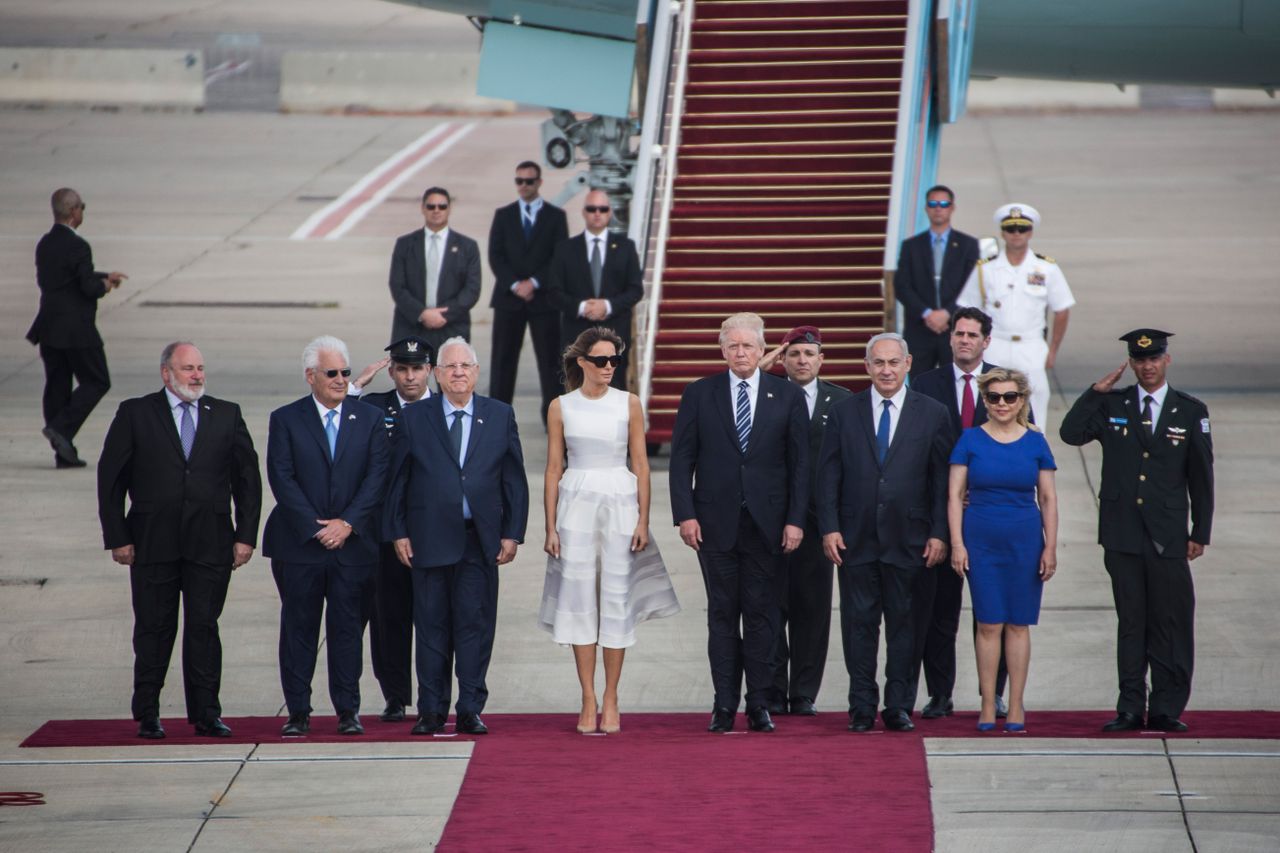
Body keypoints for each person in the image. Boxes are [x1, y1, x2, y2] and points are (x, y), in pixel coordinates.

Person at [97, 342, 262, 739]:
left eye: (200, 368)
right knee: (154, 627)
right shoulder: (136, 413)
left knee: (204, 627)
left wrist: (245, 537)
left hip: (211, 542)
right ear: (165, 373)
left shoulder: (226, 414)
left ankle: (207, 712)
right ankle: (148, 711)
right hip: (153, 542)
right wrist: (118, 536)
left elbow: (248, 481)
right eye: (188, 368)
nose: (197, 376)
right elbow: (111, 479)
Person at [1060, 329, 1213, 733]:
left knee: (1170, 621)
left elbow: (1201, 477)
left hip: (1168, 534)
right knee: (1132, 621)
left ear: (1167, 360)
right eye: (1139, 360)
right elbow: (1070, 433)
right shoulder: (1114, 404)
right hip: (1122, 533)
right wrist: (1095, 392)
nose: (1147, 366)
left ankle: (1166, 707)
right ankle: (1130, 706)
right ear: (1131, 362)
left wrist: (1201, 530)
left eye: (1154, 359)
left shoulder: (1189, 410)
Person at [669, 312, 809, 734]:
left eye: (749, 345)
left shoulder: (786, 396)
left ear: (764, 349)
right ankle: (724, 704)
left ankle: (759, 703)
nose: (741, 352)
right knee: (723, 615)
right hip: (714, 524)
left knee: (763, 615)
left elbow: (800, 466)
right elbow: (681, 460)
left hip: (769, 525)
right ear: (723, 351)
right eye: (733, 346)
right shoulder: (699, 393)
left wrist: (795, 521)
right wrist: (685, 515)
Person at [538, 327, 680, 734]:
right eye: (600, 361)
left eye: (614, 360)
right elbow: (553, 468)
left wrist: (643, 520)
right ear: (582, 362)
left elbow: (640, 464)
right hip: (576, 502)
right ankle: (587, 696)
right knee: (580, 600)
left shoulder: (629, 403)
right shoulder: (560, 406)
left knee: (616, 601)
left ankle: (613, 696)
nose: (608, 368)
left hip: (620, 501)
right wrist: (549, 527)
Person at [387, 337, 529, 736]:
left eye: (466, 365)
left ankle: (469, 707)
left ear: (477, 372)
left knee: (474, 626)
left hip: (479, 541)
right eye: (450, 367)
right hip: (428, 539)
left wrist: (512, 533)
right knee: (431, 627)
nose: (458, 372)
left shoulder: (499, 415)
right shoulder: (416, 417)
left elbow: (514, 480)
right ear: (437, 373)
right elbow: (397, 480)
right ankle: (431, 709)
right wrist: (397, 531)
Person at [817, 333, 950, 733]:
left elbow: (942, 480)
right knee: (859, 625)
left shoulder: (933, 413)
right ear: (867, 367)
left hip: (911, 538)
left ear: (908, 365)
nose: (887, 370)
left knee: (905, 625)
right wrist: (829, 527)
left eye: (894, 362)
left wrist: (940, 533)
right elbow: (828, 475)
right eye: (879, 363)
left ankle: (898, 705)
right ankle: (861, 706)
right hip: (854, 539)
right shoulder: (845, 412)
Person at [262, 336, 390, 737]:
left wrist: (347, 523)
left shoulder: (367, 418)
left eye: (345, 373)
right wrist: (317, 528)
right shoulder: (286, 419)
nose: (340, 380)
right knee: (298, 629)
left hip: (353, 546)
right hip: (300, 546)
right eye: (331, 373)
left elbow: (377, 478)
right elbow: (281, 477)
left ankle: (347, 710)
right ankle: (298, 711)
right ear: (310, 376)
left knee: (347, 630)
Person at [909, 307, 1011, 719]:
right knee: (939, 611)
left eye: (972, 334)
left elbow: (1021, 444)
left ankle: (995, 693)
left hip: (991, 517)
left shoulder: (1006, 386)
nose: (964, 340)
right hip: (939, 516)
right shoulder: (926, 383)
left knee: (993, 611)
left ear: (987, 341)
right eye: (958, 333)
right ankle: (939, 693)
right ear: (950, 338)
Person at [948, 368, 1059, 732]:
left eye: (1009, 397)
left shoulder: (1035, 442)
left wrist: (1051, 547)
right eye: (994, 397)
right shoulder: (969, 440)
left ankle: (1015, 705)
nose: (1002, 404)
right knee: (989, 622)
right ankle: (986, 703)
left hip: (1025, 541)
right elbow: (953, 496)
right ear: (985, 400)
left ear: (1022, 400)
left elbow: (1047, 498)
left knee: (1018, 623)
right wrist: (957, 544)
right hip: (981, 540)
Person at [758, 326, 852, 716]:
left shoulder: (843, 402)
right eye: (793, 354)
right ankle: (774, 689)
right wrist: (765, 365)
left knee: (812, 609)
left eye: (809, 354)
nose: (801, 361)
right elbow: (742, 386)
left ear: (820, 359)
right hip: (771, 519)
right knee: (771, 604)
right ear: (782, 359)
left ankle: (804, 693)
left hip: (818, 521)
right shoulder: (768, 393)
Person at [359, 336, 434, 723]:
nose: (409, 377)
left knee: (433, 617)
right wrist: (356, 387)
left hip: (431, 531)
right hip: (383, 532)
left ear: (429, 371)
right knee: (388, 618)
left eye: (417, 368)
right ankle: (395, 694)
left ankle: (432, 695)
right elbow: (334, 418)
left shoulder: (443, 408)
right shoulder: (374, 408)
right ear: (391, 371)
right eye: (402, 369)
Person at [29, 188, 128, 469]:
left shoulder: (45, 244)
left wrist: (101, 275)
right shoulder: (79, 246)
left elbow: (64, 278)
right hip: (76, 329)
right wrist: (105, 285)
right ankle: (61, 428)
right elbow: (86, 287)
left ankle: (62, 449)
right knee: (97, 380)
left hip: (49, 325)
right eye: (82, 207)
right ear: (74, 211)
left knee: (57, 385)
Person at [956, 203, 1075, 427]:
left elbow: (1062, 308)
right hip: (995, 343)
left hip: (1031, 345)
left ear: (1030, 232)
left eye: (1022, 228)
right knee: (988, 402)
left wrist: (1053, 351)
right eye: (1011, 229)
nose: (1016, 234)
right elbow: (967, 309)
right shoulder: (986, 269)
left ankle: (1035, 456)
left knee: (1036, 403)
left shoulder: (1046, 268)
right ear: (1002, 233)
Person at [488, 161, 570, 424]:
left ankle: (552, 418)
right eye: (519, 181)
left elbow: (559, 258)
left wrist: (533, 283)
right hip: (508, 299)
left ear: (539, 183)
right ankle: (497, 417)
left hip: (543, 300)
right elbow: (495, 255)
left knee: (550, 363)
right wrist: (515, 285)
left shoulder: (556, 217)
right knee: (503, 361)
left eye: (529, 181)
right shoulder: (503, 215)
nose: (523, 186)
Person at [545, 189, 644, 390]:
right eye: (592, 209)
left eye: (603, 209)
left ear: (609, 213)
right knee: (576, 389)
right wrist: (582, 307)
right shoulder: (565, 249)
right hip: (576, 335)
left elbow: (635, 289)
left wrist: (607, 306)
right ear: (584, 212)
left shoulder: (625, 247)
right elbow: (553, 292)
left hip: (615, 333)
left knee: (614, 391)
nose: (597, 213)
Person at [893, 185, 981, 376]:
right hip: (920, 329)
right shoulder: (911, 246)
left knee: (957, 383)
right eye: (933, 203)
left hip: (956, 328)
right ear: (926, 208)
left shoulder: (968, 245)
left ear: (952, 207)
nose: (938, 208)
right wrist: (927, 314)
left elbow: (971, 285)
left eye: (943, 204)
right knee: (918, 385)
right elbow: (902, 285)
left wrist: (948, 313)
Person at [388, 186, 482, 354]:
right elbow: (397, 286)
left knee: (451, 380)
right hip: (411, 326)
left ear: (449, 209)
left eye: (442, 206)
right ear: (423, 208)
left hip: (452, 327)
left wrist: (445, 314)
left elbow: (472, 289)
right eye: (431, 206)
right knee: (410, 380)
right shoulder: (405, 244)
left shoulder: (467, 247)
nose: (436, 211)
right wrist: (422, 313)